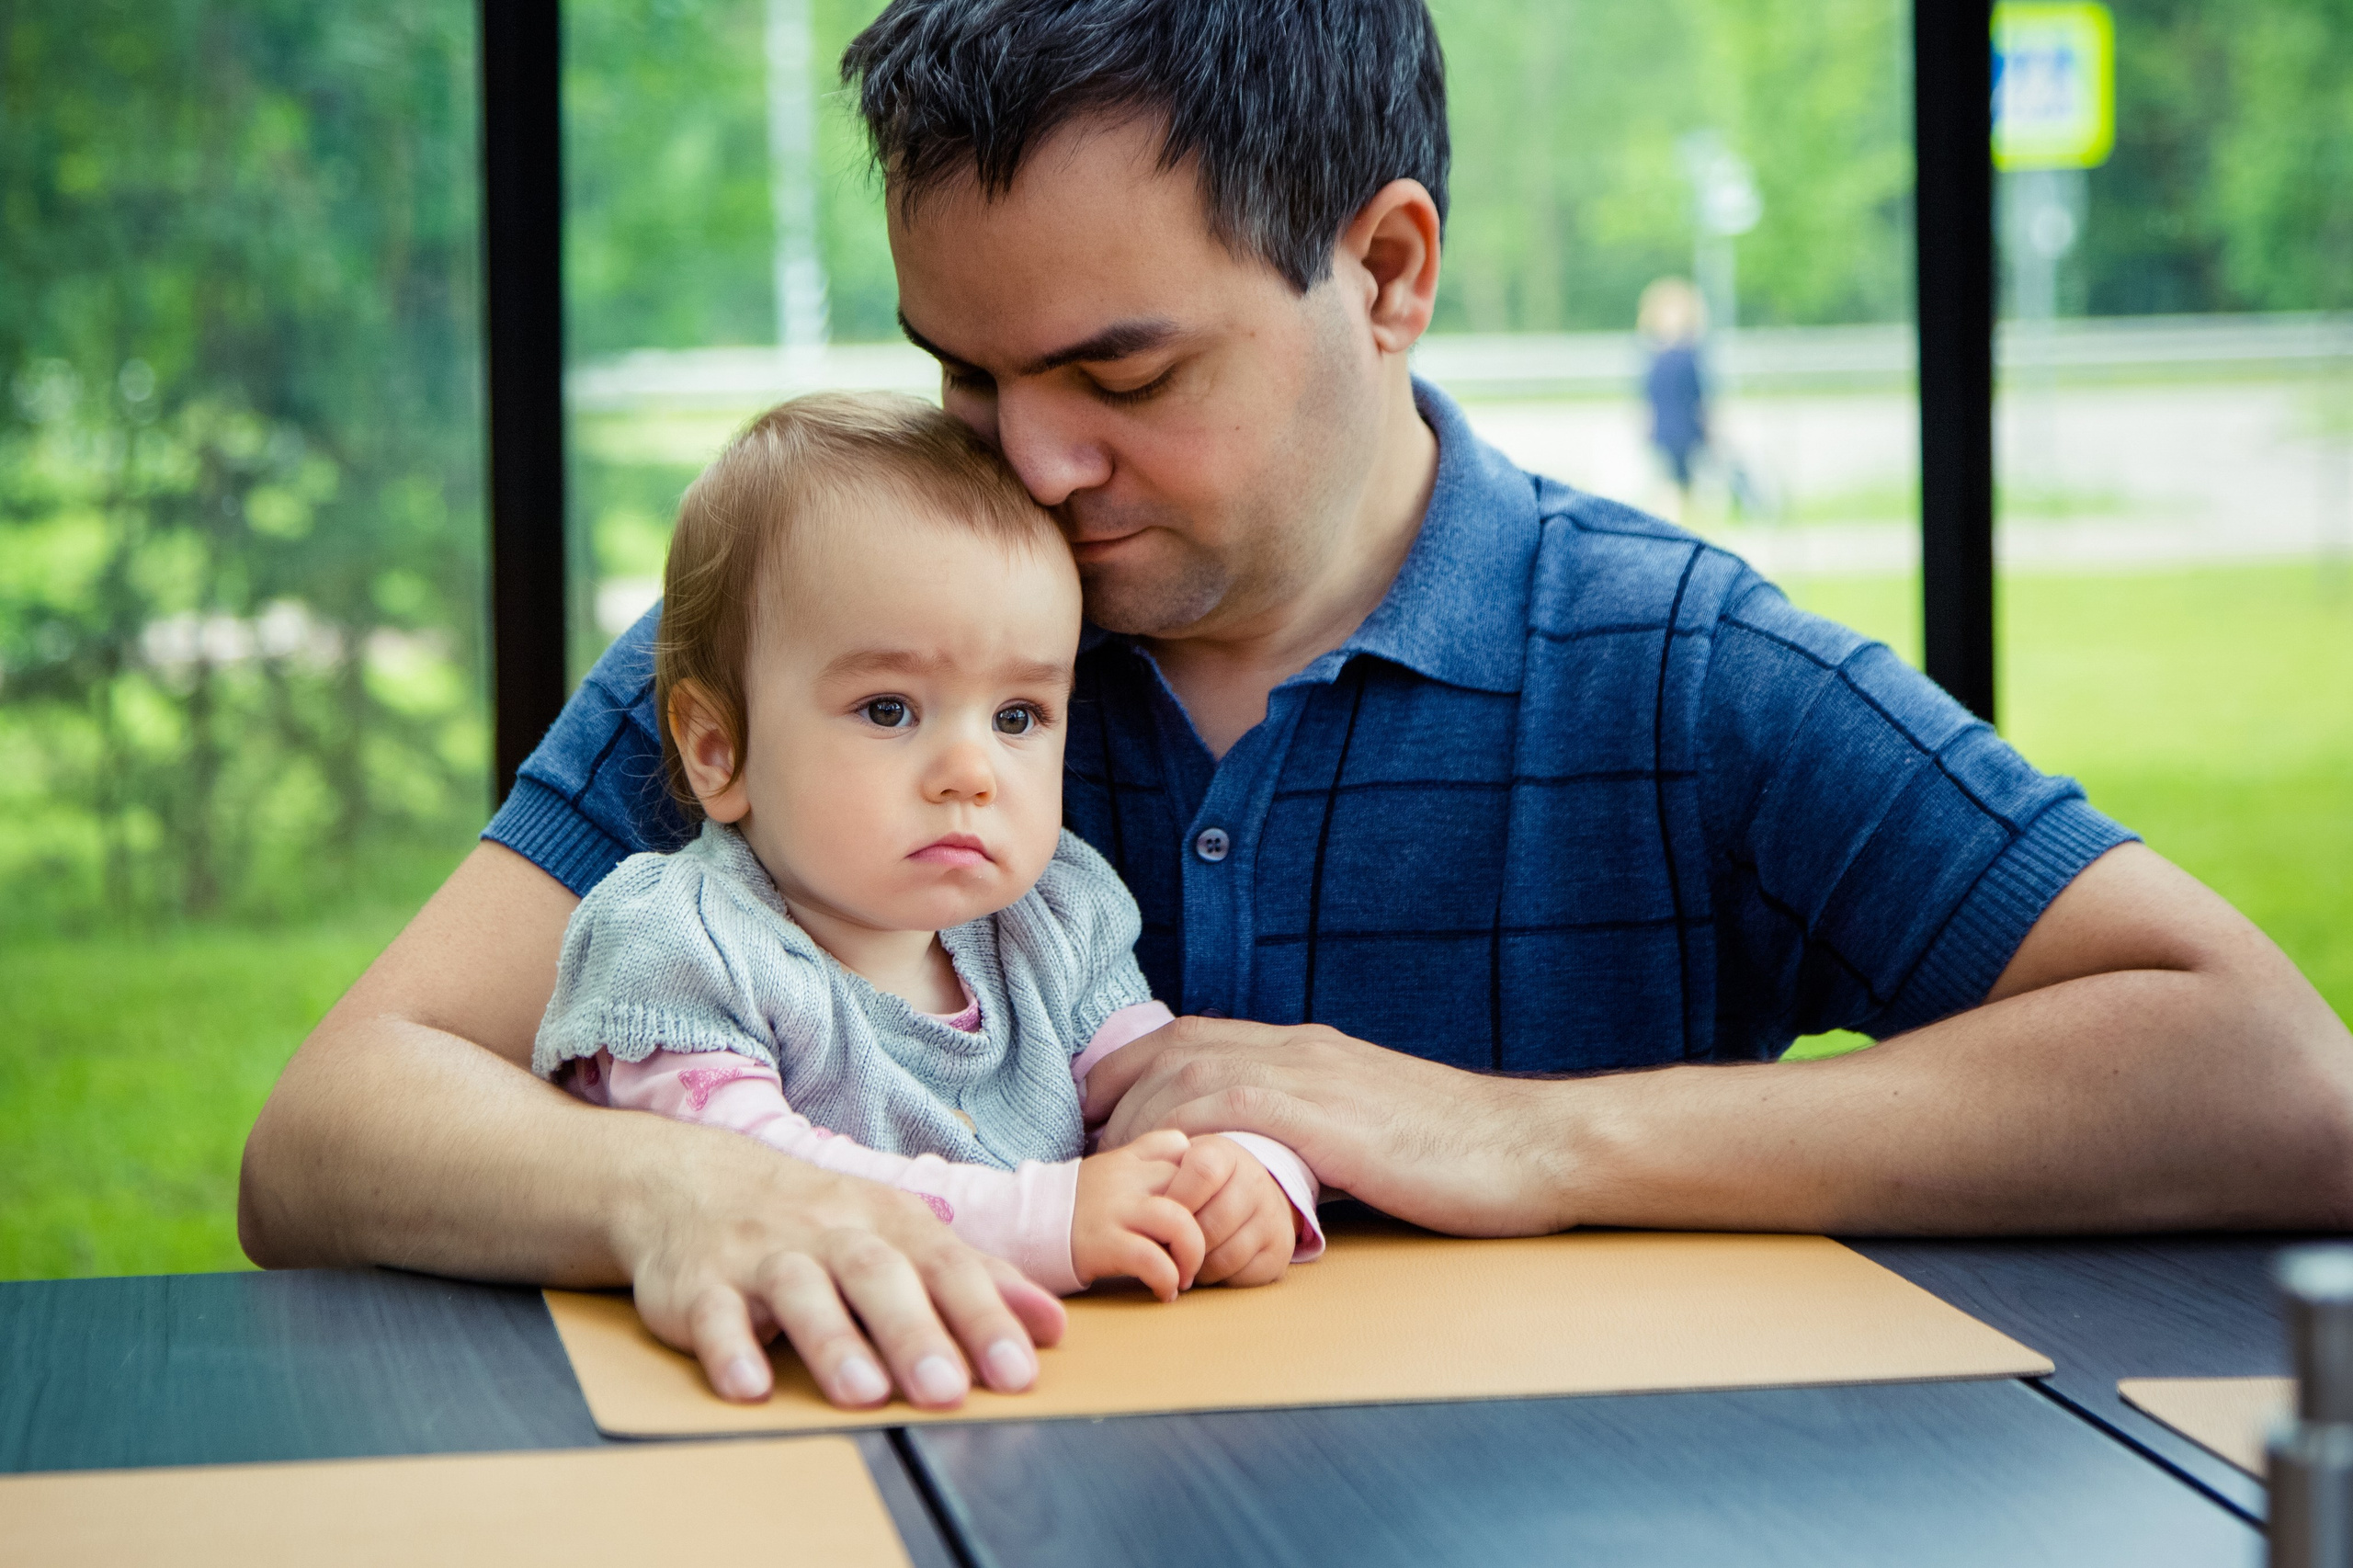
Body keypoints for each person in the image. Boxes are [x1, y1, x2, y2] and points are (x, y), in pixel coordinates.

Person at [239, 0, 2353, 1417]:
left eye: (1120, 375)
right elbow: (333, 1125)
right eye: (963, 373)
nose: (1024, 464)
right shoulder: (841, 643)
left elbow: (2267, 1075)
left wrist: (1519, 1135)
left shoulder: (1676, 664)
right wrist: (665, 1189)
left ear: (1387, 266)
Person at [539, 392, 1317, 1316]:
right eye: (888, 708)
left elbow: (1174, 1089)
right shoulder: (681, 941)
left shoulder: (1049, 921)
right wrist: (1050, 1217)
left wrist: (1245, 1173)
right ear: (718, 750)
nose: (968, 772)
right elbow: (754, 1181)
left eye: (1018, 716)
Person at [1637, 277, 1708, 522]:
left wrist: (1708, 426)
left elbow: (1698, 396)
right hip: (1664, 427)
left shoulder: (1689, 354)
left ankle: (1684, 521)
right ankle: (1673, 522)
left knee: (1684, 480)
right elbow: (1647, 397)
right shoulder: (1652, 354)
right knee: (1668, 482)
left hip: (1686, 427)